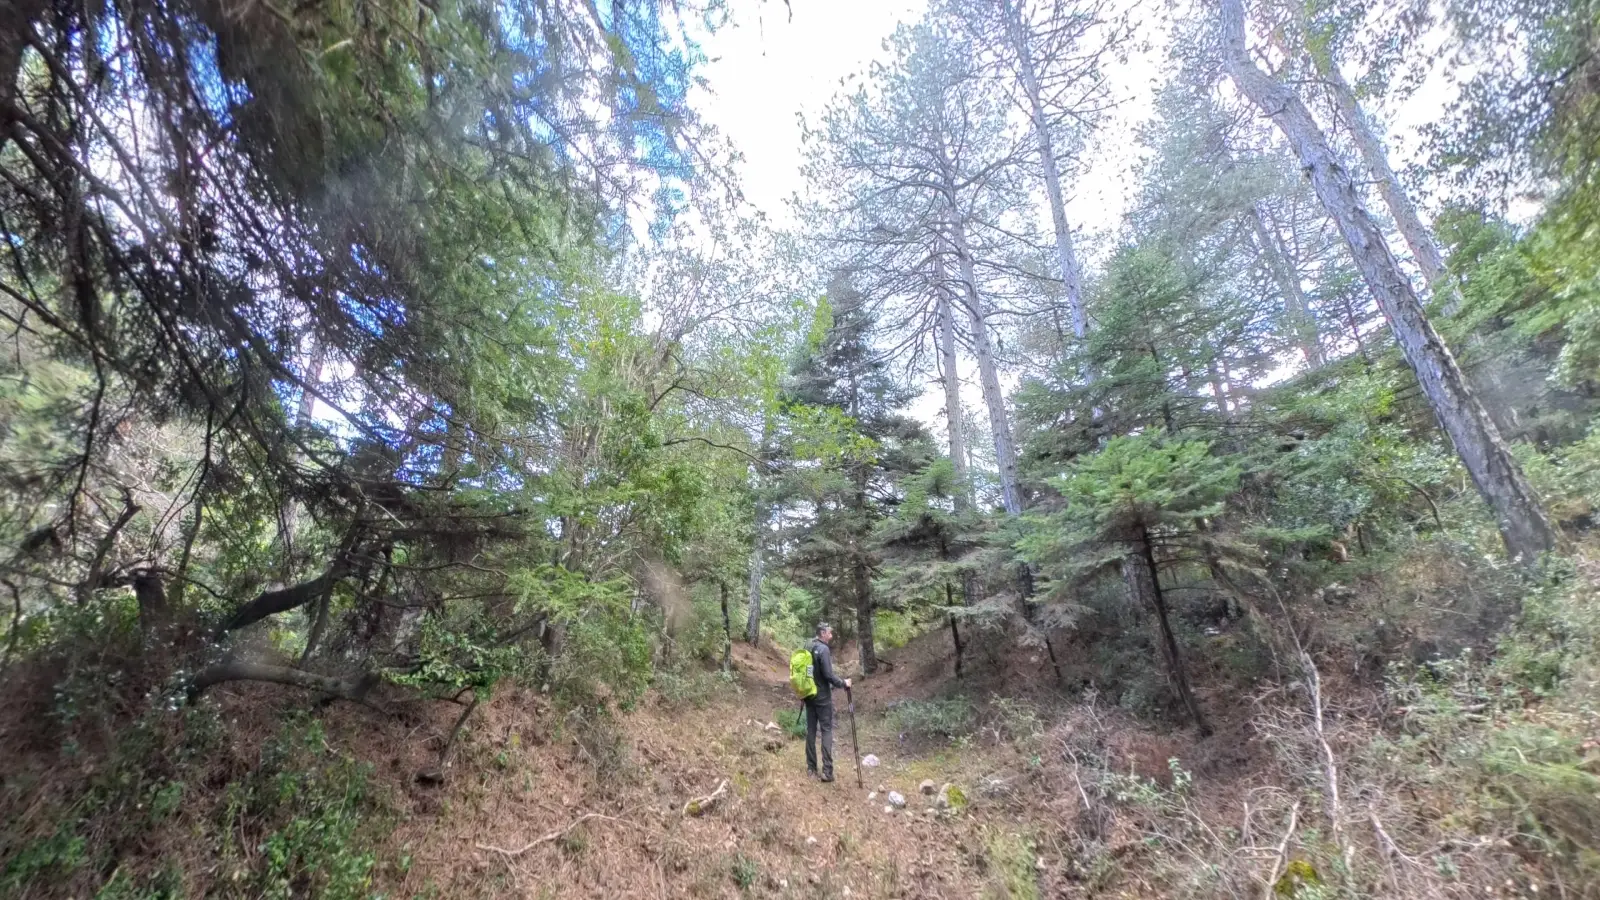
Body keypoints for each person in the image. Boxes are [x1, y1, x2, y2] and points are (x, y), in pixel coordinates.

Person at [803, 622, 851, 782]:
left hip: (809, 695)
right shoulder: (823, 649)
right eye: (829, 631)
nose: (831, 634)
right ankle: (827, 772)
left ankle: (811, 768)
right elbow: (828, 675)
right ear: (822, 633)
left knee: (811, 730)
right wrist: (843, 683)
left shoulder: (809, 646)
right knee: (826, 730)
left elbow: (807, 672)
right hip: (822, 697)